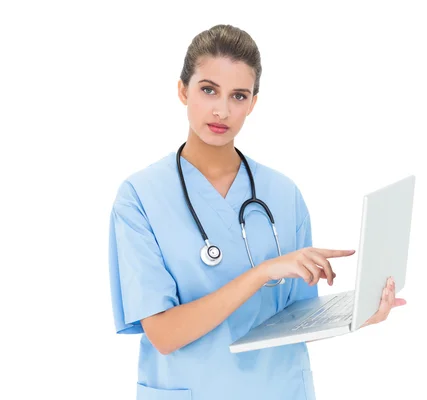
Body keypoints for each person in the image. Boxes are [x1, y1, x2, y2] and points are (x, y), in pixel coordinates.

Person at [108, 24, 406, 400]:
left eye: (238, 95)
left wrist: (358, 316)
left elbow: (296, 319)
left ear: (253, 103)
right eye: (208, 89)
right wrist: (263, 271)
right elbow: (164, 335)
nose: (222, 110)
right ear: (183, 90)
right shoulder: (139, 197)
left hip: (279, 389)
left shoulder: (283, 194)